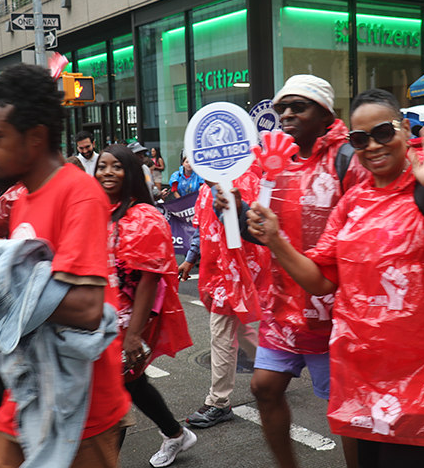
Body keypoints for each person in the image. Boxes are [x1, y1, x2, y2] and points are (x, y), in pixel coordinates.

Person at [246, 88, 424, 468]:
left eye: (383, 132)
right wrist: (276, 239)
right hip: (362, 380)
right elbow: (321, 280)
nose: (373, 145)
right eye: (360, 139)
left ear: (404, 129)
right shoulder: (352, 202)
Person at [0, 64, 132, 468]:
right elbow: (29, 287)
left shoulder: (80, 193)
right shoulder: (24, 199)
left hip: (80, 410)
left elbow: (88, 308)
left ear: (35, 137)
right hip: (27, 393)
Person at [215, 74, 365, 468]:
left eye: (299, 107)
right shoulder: (276, 162)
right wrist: (234, 209)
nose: (286, 115)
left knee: (345, 408)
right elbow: (262, 233)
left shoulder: (347, 159)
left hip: (334, 309)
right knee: (264, 387)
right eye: (281, 108)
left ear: (325, 114)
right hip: (284, 304)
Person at [95, 144, 195, 468]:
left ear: (131, 173)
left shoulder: (144, 217)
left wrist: (134, 335)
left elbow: (149, 282)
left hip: (133, 320)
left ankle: (106, 461)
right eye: (102, 166)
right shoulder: (101, 211)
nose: (107, 172)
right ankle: (175, 433)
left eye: (116, 166)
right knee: (132, 384)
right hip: (105, 318)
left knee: (116, 392)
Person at [179, 171, 267, 429]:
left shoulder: (245, 183)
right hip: (215, 272)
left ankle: (218, 402)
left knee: (221, 333)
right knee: (238, 329)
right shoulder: (205, 189)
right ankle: (272, 373)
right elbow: (202, 228)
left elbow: (256, 230)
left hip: (234, 273)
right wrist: (190, 259)